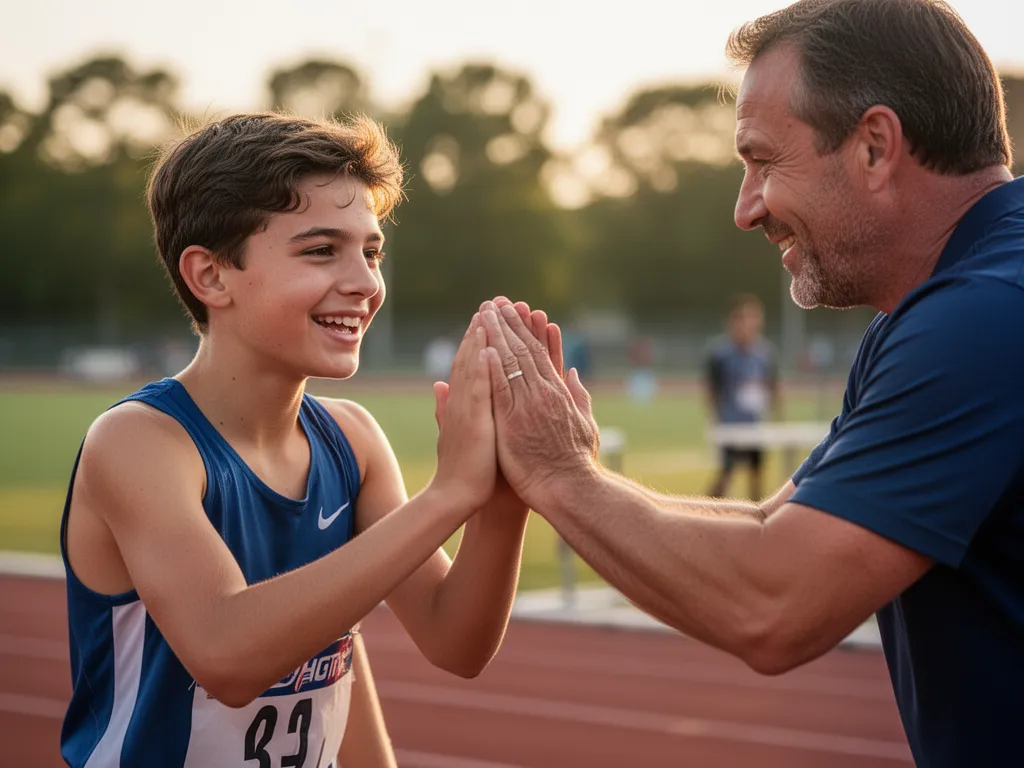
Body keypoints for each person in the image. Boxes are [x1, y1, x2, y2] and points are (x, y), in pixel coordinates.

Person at [475, 1, 1024, 766]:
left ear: (874, 146)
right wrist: (580, 472)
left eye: (763, 161)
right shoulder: (938, 310)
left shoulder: (986, 314)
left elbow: (775, 601)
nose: (745, 207)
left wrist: (558, 475)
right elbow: (772, 526)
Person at [59, 113, 554, 768]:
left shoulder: (351, 440)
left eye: (371, 252)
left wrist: (500, 497)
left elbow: (454, 639)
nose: (365, 282)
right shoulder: (140, 442)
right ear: (210, 276)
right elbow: (227, 656)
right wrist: (448, 496)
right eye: (322, 251)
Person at [704, 293, 780, 499]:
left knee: (756, 474)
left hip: (754, 423)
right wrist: (715, 418)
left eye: (753, 318)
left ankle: (757, 518)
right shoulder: (721, 354)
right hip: (731, 424)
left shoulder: (764, 353)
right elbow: (712, 388)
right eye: (741, 319)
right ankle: (705, 510)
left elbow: (772, 385)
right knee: (726, 473)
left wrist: (777, 414)